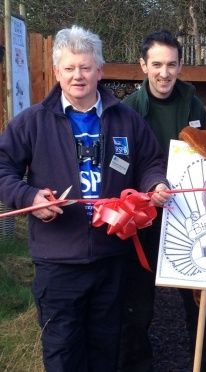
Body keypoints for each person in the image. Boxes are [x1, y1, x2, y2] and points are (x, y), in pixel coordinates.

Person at [0, 25, 171, 372]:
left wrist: (155, 185)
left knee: (106, 350)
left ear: (100, 70)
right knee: (63, 352)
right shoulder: (32, 122)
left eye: (85, 67)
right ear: (57, 72)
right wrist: (30, 196)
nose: (78, 76)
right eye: (69, 68)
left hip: (111, 257)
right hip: (58, 262)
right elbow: (3, 168)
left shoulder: (127, 119)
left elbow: (150, 162)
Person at [119, 30, 206, 371]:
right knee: (138, 302)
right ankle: (137, 362)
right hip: (143, 219)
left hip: (185, 216)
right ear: (143, 65)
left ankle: (200, 360)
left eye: (171, 64)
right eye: (156, 64)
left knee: (195, 298)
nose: (164, 73)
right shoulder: (127, 110)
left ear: (180, 65)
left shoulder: (193, 104)